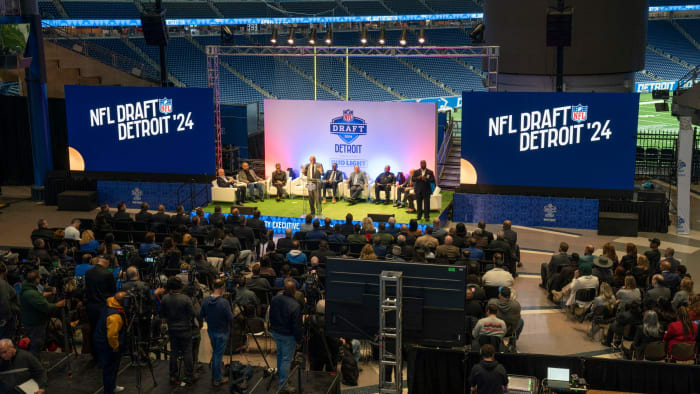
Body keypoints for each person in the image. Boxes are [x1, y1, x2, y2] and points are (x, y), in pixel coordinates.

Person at [19, 270, 66, 359]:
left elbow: (38, 296)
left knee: (35, 343)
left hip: (31, 320)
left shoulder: (27, 287)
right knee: (36, 345)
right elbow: (46, 307)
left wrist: (50, 293)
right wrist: (58, 304)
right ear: (36, 280)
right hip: (35, 323)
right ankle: (34, 366)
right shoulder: (31, 293)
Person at [161, 277, 198, 385]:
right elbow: (193, 313)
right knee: (187, 352)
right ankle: (189, 376)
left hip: (172, 329)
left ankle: (173, 376)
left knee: (174, 352)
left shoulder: (165, 298)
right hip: (185, 329)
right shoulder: (185, 299)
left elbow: (162, 314)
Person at [199, 279, 234, 387]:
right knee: (218, 355)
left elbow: (201, 316)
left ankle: (215, 374)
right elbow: (230, 318)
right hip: (222, 332)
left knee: (215, 353)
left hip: (211, 331)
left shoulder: (205, 300)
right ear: (222, 287)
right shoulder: (224, 302)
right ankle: (217, 379)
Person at [270, 278, 303, 388]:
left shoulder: (275, 299)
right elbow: (297, 327)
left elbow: (271, 316)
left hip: (276, 332)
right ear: (294, 291)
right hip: (288, 336)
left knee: (280, 354)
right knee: (286, 359)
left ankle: (281, 375)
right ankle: (283, 385)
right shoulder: (295, 306)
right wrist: (299, 340)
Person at [93, 291, 126, 394]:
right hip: (106, 344)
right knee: (109, 369)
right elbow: (112, 335)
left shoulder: (110, 303)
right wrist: (115, 347)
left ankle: (112, 386)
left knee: (112, 368)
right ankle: (108, 391)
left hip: (100, 338)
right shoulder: (115, 316)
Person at [85, 256, 116, 363]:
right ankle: (105, 356)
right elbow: (113, 291)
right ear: (106, 262)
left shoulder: (88, 272)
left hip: (91, 306)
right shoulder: (108, 274)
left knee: (93, 330)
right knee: (104, 331)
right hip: (103, 306)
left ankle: (95, 356)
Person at [308, 300, 340, 372]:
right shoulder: (330, 322)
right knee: (329, 376)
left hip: (314, 353)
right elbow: (334, 342)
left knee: (315, 374)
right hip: (329, 354)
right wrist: (341, 342)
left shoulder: (310, 320)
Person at [0, 262, 19, 340]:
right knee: (5, 341)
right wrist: (5, 318)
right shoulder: (2, 284)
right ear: (4, 270)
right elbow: (4, 302)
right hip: (5, 320)